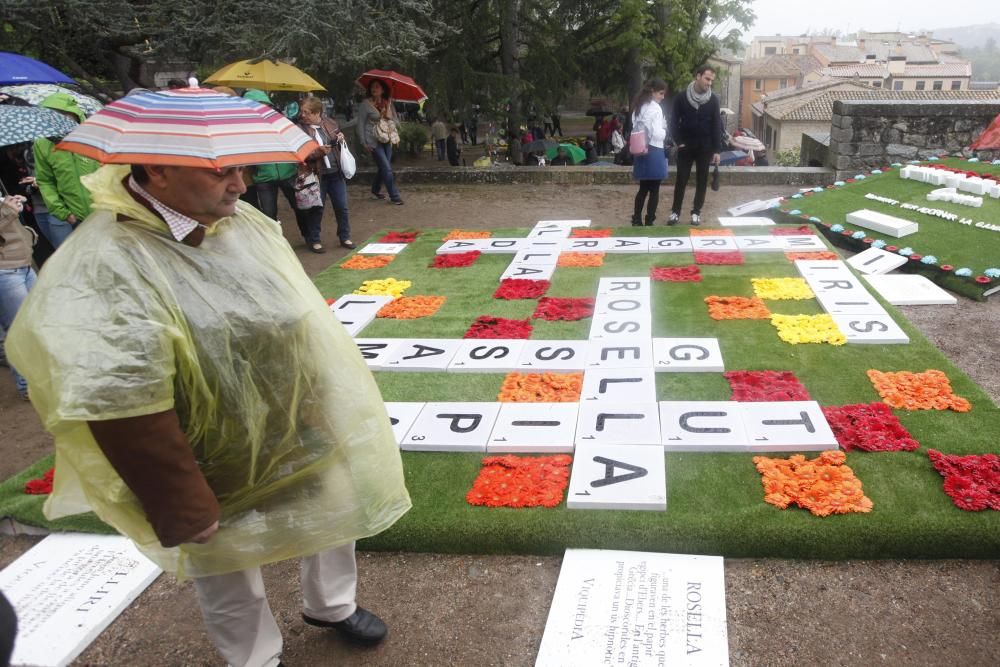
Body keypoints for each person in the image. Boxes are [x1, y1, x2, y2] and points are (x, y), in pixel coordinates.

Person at [7, 157, 411, 667]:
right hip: (201, 439)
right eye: (220, 173)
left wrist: (316, 399)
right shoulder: (109, 259)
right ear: (157, 172)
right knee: (223, 554)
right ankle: (255, 657)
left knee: (333, 509)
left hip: (289, 407)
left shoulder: (242, 222)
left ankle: (331, 605)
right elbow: (118, 393)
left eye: (240, 169)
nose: (239, 183)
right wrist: (177, 494)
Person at [32, 93, 99, 247]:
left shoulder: (94, 136)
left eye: (63, 114)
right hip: (75, 217)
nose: (58, 118)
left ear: (75, 114)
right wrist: (63, 212)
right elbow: (45, 180)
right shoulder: (42, 143)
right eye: (51, 114)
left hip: (105, 213)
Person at [669, 65, 722, 226]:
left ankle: (696, 212)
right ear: (698, 76)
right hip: (686, 146)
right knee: (681, 180)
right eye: (707, 79)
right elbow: (673, 122)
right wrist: (679, 142)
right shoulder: (681, 97)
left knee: (702, 180)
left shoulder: (713, 100)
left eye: (711, 80)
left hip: (705, 147)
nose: (709, 83)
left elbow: (716, 125)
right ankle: (675, 213)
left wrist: (717, 150)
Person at [299, 97, 354, 251]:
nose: (303, 115)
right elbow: (301, 155)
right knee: (317, 208)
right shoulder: (300, 129)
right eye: (302, 111)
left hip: (336, 173)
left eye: (307, 112)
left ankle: (345, 237)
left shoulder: (330, 123)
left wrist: (340, 138)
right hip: (317, 174)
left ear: (317, 113)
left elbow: (337, 139)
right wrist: (318, 153)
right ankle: (314, 239)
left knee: (341, 207)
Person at [0, 194, 36, 399]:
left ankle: (40, 380)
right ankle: (27, 387)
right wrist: (8, 210)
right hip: (5, 272)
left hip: (23, 265)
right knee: (18, 331)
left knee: (37, 324)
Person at [357, 79, 403, 205]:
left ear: (382, 90)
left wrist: (389, 108)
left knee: (384, 167)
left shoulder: (387, 102)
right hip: (373, 141)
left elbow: (392, 118)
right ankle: (395, 196)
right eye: (372, 87)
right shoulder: (365, 104)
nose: (374, 89)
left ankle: (375, 189)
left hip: (386, 138)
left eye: (377, 87)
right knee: (387, 169)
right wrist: (363, 142)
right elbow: (360, 124)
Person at [630, 79, 669, 226]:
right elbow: (657, 134)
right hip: (654, 149)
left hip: (641, 149)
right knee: (654, 189)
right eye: (661, 93)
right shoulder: (656, 108)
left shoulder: (639, 107)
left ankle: (636, 218)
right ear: (652, 91)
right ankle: (650, 220)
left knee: (643, 187)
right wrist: (665, 130)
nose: (662, 97)